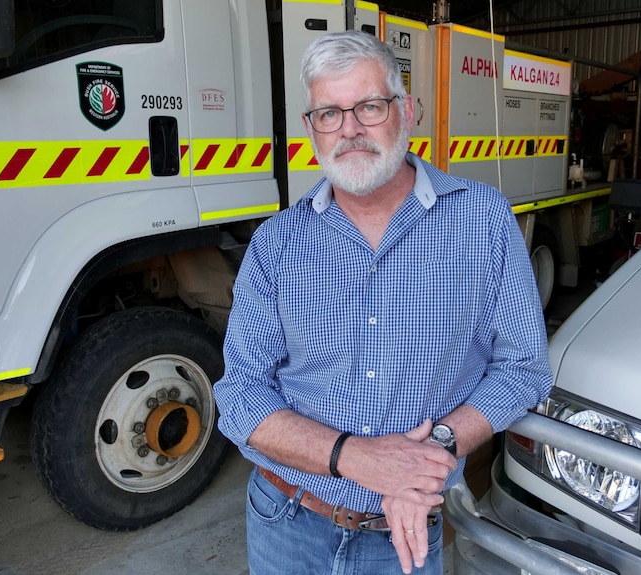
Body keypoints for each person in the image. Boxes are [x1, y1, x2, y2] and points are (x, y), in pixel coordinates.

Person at [214, 30, 552, 575]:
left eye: (369, 106)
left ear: (407, 110)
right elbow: (240, 395)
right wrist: (358, 459)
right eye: (329, 113)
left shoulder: (482, 222)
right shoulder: (276, 242)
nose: (349, 129)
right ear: (311, 129)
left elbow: (523, 369)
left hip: (407, 530)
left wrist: (426, 456)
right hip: (285, 520)